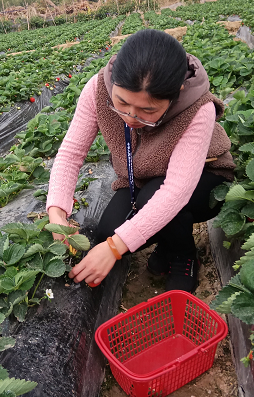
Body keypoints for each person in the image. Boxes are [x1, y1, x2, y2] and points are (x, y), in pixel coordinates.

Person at [46, 29, 235, 293]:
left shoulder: (198, 109)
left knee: (144, 212)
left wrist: (114, 249)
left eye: (148, 111)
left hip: (204, 180)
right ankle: (167, 241)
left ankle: (183, 257)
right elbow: (70, 153)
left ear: (176, 94)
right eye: (122, 103)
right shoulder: (97, 89)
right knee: (107, 233)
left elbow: (177, 190)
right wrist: (57, 213)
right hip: (141, 178)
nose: (131, 117)